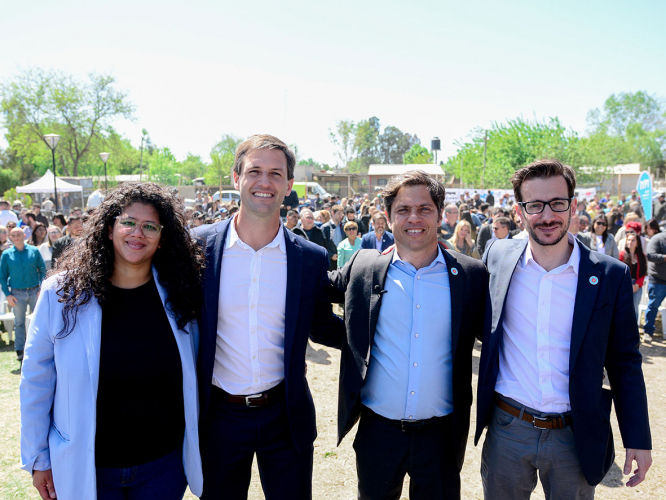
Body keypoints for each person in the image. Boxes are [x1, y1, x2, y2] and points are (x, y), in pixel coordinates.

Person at [476, 159, 652, 499]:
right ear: (519, 211)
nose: (547, 215)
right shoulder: (497, 256)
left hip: (576, 434)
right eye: (535, 205)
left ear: (572, 205)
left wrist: (638, 438)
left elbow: (625, 362)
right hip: (508, 429)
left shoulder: (609, 275)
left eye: (557, 203)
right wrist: (409, 252)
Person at [20, 182, 205, 500]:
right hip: (88, 469)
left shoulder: (181, 297)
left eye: (150, 226)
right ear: (109, 229)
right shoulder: (60, 295)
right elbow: (36, 381)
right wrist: (39, 458)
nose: (138, 233)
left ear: (162, 240)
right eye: (129, 222)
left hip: (163, 468)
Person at [192, 134, 343, 500]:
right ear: (235, 178)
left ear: (289, 185)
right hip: (218, 417)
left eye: (276, 174)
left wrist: (387, 332)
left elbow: (323, 326)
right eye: (255, 171)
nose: (265, 182)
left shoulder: (309, 258)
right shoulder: (196, 247)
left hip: (285, 416)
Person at [328, 170, 488, 499]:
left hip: (441, 437)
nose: (413, 218)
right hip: (378, 432)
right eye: (403, 210)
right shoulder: (364, 266)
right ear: (387, 217)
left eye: (424, 209)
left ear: (441, 214)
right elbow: (315, 294)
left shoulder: (471, 276)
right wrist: (349, 340)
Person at [0, 227, 46, 362]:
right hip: (16, 293)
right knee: (19, 323)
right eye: (13, 235)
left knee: (39, 321)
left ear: (24, 235)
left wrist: (41, 287)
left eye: (19, 234)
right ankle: (20, 350)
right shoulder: (7, 254)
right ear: (10, 237)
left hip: (34, 291)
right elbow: (2, 276)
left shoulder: (34, 251)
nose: (16, 237)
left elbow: (43, 269)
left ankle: (40, 347)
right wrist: (7, 294)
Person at [644, 229, 666, 342]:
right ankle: (648, 331)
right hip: (657, 280)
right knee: (653, 307)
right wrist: (664, 257)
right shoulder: (658, 239)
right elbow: (650, 255)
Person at [620, 232, 647, 320]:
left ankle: (633, 330)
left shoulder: (641, 256)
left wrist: (637, 284)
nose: (630, 242)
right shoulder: (621, 255)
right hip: (624, 285)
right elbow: (619, 272)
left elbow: (643, 272)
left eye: (633, 240)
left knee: (634, 308)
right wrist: (629, 284)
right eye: (628, 240)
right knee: (622, 307)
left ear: (637, 243)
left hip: (637, 285)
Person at [321, 204, 345, 270]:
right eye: (338, 214)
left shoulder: (344, 227)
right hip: (330, 261)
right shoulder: (325, 227)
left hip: (341, 259)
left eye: (342, 214)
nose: (340, 216)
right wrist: (330, 255)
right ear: (332, 213)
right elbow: (323, 244)